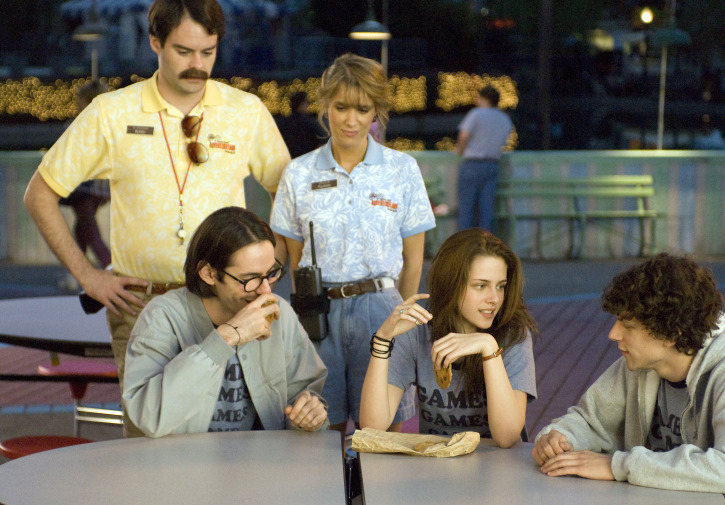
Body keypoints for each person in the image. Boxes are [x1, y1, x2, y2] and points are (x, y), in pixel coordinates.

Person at [23, 0, 290, 435]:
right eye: (184, 51)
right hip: (141, 307)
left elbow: (289, 195)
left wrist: (267, 269)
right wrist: (89, 276)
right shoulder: (112, 112)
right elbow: (39, 194)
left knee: (235, 434)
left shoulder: (246, 112)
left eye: (208, 52)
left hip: (228, 303)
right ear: (155, 42)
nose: (197, 65)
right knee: (150, 442)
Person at [270, 53, 436, 441]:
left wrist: (402, 327)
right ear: (324, 105)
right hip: (318, 311)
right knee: (314, 435)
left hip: (382, 309)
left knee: (382, 438)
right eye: (341, 107)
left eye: (362, 109)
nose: (350, 119)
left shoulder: (402, 169)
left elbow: (413, 262)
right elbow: (295, 263)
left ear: (376, 110)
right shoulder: (298, 172)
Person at [123, 206, 328, 437]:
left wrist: (308, 413)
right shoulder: (161, 317)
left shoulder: (279, 312)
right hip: (183, 467)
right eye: (249, 279)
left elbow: (306, 392)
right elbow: (149, 417)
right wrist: (227, 337)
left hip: (263, 464)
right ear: (209, 274)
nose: (265, 289)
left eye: (271, 273)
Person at [531, 253, 725, 493]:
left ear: (672, 334)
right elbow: (591, 422)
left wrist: (617, 466)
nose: (613, 334)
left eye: (629, 326)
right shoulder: (639, 365)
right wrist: (558, 438)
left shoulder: (721, 372)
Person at [359, 228, 538, 448]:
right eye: (481, 286)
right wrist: (382, 340)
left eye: (500, 286)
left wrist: (488, 347)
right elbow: (373, 425)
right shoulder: (418, 331)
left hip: (496, 466)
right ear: (451, 284)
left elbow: (507, 437)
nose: (494, 298)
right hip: (436, 463)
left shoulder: (513, 335)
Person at [58, 81, 112, 273]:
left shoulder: (79, 123)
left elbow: (67, 155)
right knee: (83, 228)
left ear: (86, 100)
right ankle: (76, 273)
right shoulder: (109, 122)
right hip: (102, 186)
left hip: (81, 186)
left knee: (90, 231)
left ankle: (111, 269)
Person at [455, 84, 514, 232]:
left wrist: (460, 151)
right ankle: (484, 246)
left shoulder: (476, 114)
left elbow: (464, 135)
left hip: (472, 164)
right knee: (487, 210)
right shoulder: (504, 118)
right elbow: (504, 142)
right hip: (493, 165)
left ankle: (463, 247)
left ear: (482, 98)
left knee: (466, 208)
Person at [275, 91, 325, 158]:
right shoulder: (310, 123)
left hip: (288, 160)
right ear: (302, 104)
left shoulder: (282, 123)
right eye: (307, 102)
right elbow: (322, 141)